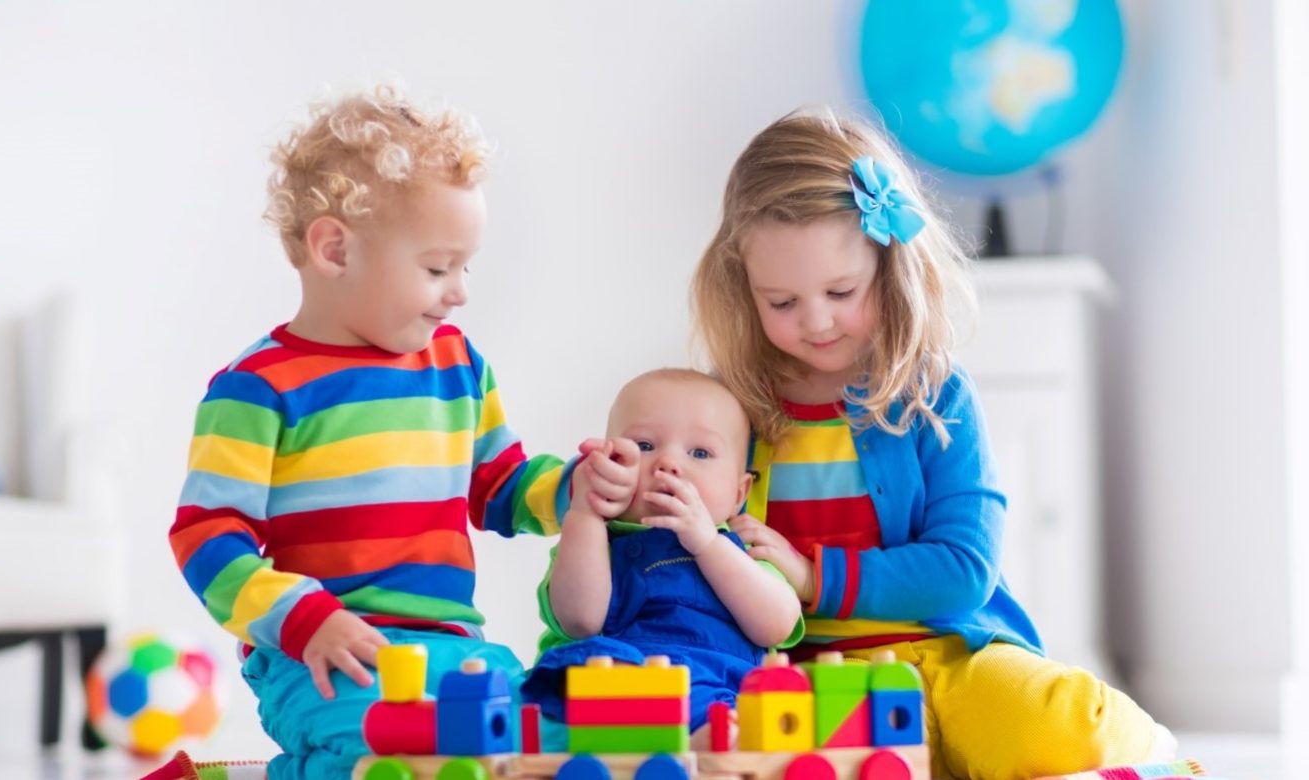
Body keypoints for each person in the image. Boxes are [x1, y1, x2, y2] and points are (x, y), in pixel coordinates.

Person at [690, 108, 1175, 780]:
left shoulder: (933, 394)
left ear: (890, 267)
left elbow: (964, 565)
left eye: (840, 290)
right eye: (781, 302)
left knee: (1062, 726)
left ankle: (1149, 752)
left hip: (950, 657)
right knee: (757, 754)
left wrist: (811, 576)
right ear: (742, 288)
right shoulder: (730, 406)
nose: (816, 320)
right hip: (805, 677)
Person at [168, 85, 615, 780]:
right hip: (327, 653)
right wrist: (305, 619)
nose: (460, 291)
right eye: (438, 268)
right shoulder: (256, 389)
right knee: (393, 756)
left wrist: (576, 488)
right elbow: (207, 537)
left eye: (464, 267)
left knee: (550, 742)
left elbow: (501, 487)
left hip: (452, 649)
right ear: (335, 249)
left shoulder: (459, 367)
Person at [522, 368, 803, 749]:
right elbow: (581, 620)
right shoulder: (595, 541)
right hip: (615, 682)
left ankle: (711, 742)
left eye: (700, 453)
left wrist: (706, 543)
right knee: (563, 677)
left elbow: (776, 626)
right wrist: (585, 512)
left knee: (741, 707)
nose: (668, 463)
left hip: (709, 688)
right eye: (645, 445)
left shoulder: (743, 553)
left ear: (739, 493)